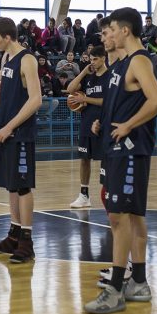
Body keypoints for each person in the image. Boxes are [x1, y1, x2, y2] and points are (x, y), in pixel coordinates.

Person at [84, 9, 157, 314]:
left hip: (130, 148)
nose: (107, 35)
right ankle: (139, 281)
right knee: (131, 216)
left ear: (126, 31)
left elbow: (156, 101)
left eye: (111, 30)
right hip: (117, 146)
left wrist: (128, 125)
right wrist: (104, 124)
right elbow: (123, 102)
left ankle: (116, 289)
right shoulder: (121, 65)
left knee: (119, 218)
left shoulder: (140, 60)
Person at [0, 17, 41, 263]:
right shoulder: (5, 59)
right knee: (12, 185)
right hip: (3, 128)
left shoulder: (28, 60)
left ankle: (27, 241)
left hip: (20, 132)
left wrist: (11, 126)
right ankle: (14, 235)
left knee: (23, 186)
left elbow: (36, 99)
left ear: (7, 37)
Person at [65, 45, 109, 209]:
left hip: (102, 124)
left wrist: (86, 99)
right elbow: (69, 89)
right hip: (85, 123)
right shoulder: (88, 77)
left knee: (106, 160)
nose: (93, 62)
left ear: (104, 58)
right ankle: (84, 195)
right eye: (91, 59)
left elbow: (107, 101)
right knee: (84, 159)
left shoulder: (110, 76)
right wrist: (83, 72)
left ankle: (108, 192)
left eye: (95, 59)